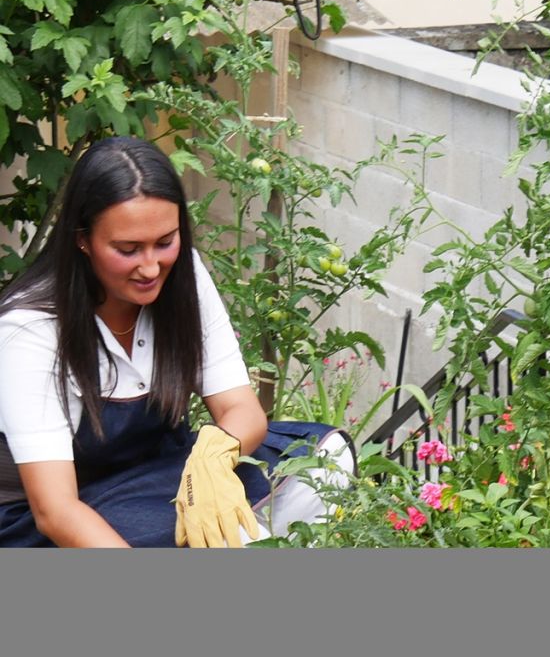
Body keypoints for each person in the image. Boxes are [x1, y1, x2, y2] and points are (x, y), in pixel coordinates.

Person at [0, 136, 355, 547]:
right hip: (54, 517)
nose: (151, 267)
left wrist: (215, 457)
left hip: (158, 478)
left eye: (165, 242)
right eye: (128, 249)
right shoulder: (31, 330)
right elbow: (55, 511)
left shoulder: (183, 277)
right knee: (217, 532)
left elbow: (241, 408)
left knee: (323, 460)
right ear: (83, 239)